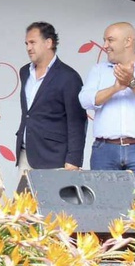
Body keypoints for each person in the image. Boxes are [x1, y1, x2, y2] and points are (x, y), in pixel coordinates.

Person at [79, 22, 135, 189]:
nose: (105, 45)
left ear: (128, 41)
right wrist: (115, 88)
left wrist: (132, 83)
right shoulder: (98, 70)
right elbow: (85, 101)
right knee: (104, 201)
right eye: (104, 40)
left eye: (110, 40)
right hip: (105, 149)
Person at [15, 22, 87, 172]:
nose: (28, 48)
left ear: (48, 43)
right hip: (25, 154)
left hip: (54, 157)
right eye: (26, 43)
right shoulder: (24, 72)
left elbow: (77, 121)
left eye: (33, 42)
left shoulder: (68, 77)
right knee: (23, 190)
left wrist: (73, 159)